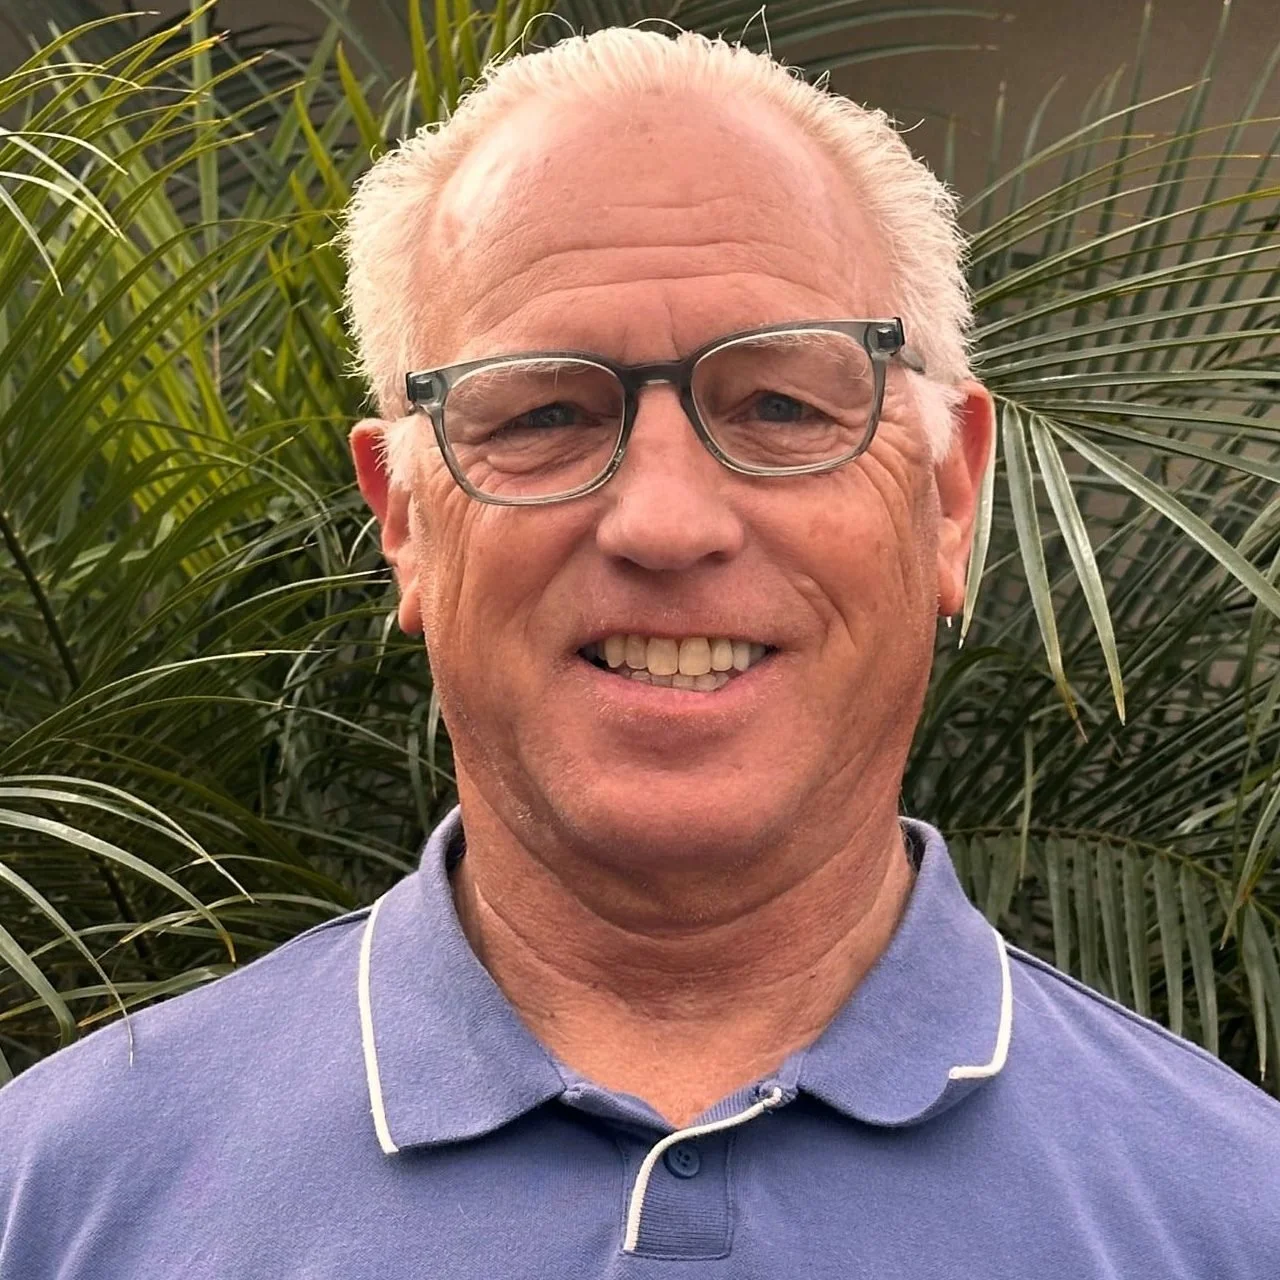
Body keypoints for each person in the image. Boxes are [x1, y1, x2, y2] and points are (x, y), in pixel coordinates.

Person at [2, 26, 1277, 1279]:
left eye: (780, 405)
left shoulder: (1231, 1211)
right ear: (401, 519)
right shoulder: (54, 1198)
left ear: (947, 497)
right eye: (544, 412)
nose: (665, 521)